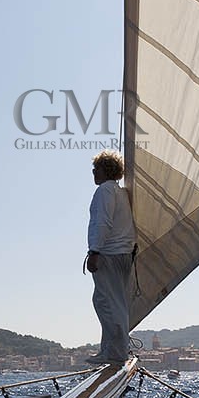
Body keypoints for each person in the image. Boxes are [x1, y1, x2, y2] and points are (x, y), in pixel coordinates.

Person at [85, 150, 135, 364]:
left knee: (106, 302)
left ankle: (114, 353)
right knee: (113, 302)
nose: (93, 172)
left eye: (96, 168)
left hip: (109, 254)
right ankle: (111, 349)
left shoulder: (105, 191)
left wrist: (94, 252)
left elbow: (102, 222)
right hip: (123, 254)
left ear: (107, 170)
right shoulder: (121, 192)